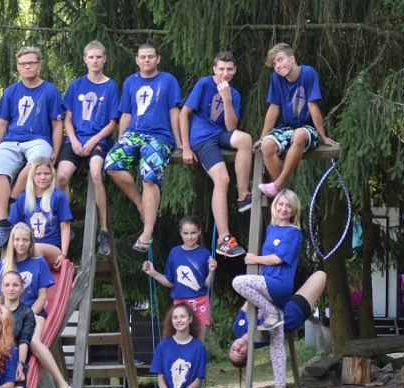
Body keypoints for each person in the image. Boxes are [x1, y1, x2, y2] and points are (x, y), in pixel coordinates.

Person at [0, 223, 74, 388]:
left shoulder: (38, 262)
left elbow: (42, 297)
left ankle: (64, 387)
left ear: (31, 242)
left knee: (34, 342)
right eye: (17, 239)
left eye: (25, 240)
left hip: (34, 311)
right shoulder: (2, 266)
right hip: (8, 314)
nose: (21, 243)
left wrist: (28, 315)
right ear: (11, 242)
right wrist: (4, 320)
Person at [104, 43, 182, 253]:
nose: (147, 60)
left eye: (150, 56)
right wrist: (121, 139)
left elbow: (174, 111)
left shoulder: (168, 80)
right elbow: (126, 113)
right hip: (133, 135)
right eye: (143, 57)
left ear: (158, 59)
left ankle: (147, 232)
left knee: (149, 177)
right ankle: (140, 204)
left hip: (159, 137)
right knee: (111, 164)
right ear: (137, 60)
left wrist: (179, 142)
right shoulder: (131, 81)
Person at [0, 46, 64, 248]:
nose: (27, 67)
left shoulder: (50, 91)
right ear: (18, 67)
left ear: (39, 65)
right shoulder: (11, 92)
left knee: (37, 162)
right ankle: (3, 223)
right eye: (23, 64)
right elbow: (1, 123)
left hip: (38, 139)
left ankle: (13, 201)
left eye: (31, 63)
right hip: (11, 140)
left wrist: (56, 151)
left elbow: (57, 124)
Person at [231, 189, 303, 388]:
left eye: (288, 206)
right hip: (267, 285)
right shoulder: (271, 228)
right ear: (275, 206)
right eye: (280, 204)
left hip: (279, 284)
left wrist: (255, 259)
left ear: (294, 210)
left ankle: (273, 312)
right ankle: (280, 387)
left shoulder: (294, 233)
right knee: (276, 338)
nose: (283, 209)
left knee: (238, 282)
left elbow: (278, 259)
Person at [179, 51, 253, 258]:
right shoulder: (204, 84)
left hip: (219, 133)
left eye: (229, 69)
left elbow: (230, 126)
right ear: (214, 69)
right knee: (222, 180)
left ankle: (243, 195)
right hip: (201, 137)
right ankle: (224, 239)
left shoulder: (234, 94)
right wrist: (185, 147)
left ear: (235, 70)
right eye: (221, 69)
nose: (225, 73)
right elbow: (184, 113)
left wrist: (227, 99)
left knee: (245, 139)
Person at [57, 40, 120, 256]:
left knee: (95, 173)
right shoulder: (76, 85)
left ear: (105, 59)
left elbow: (112, 123)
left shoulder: (110, 87)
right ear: (85, 59)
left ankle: (103, 230)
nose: (95, 61)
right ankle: (66, 224)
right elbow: (67, 118)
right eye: (91, 57)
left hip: (98, 140)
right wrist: (74, 140)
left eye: (98, 57)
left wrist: (93, 141)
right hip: (76, 139)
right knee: (61, 177)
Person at [253, 43, 336, 198]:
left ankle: (278, 185)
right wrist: (262, 137)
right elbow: (274, 108)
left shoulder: (308, 73)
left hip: (307, 128)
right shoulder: (276, 78)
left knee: (299, 134)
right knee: (267, 145)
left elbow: (312, 105)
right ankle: (283, 193)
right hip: (287, 127)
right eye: (274, 64)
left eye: (280, 60)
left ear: (292, 58)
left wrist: (323, 136)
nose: (278, 66)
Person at [141, 215, 217, 343]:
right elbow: (171, 283)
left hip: (200, 303)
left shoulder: (205, 254)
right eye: (186, 233)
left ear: (199, 232)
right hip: (180, 305)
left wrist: (212, 271)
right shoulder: (175, 253)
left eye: (193, 233)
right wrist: (153, 273)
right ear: (180, 233)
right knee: (179, 343)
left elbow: (208, 284)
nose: (189, 237)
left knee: (198, 345)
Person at [229, 270, 327, 366]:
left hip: (280, 301)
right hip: (294, 311)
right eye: (240, 353)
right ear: (248, 354)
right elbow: (274, 329)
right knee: (320, 275)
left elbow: (249, 300)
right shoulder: (259, 340)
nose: (238, 348)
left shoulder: (237, 327)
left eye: (233, 349)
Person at [8, 157, 72, 269]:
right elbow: (16, 228)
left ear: (52, 175)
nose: (42, 177)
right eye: (38, 174)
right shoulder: (23, 199)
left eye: (47, 173)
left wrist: (63, 254)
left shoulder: (58, 196)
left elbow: (65, 227)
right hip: (27, 248)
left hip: (53, 250)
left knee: (36, 248)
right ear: (32, 176)